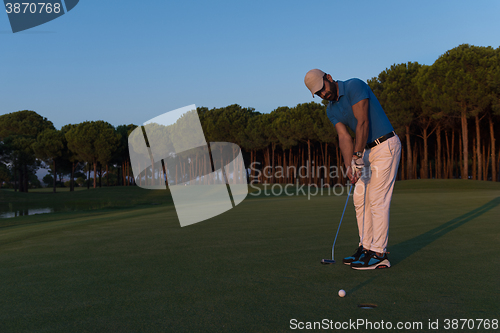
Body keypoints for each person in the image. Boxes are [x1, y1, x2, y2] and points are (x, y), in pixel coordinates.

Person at [304, 69, 401, 270]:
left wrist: (357, 156)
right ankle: (365, 248)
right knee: (359, 199)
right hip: (364, 151)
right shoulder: (330, 109)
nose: (323, 94)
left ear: (328, 78)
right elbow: (344, 137)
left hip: (385, 146)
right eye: (318, 94)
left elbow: (362, 122)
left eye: (322, 88)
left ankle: (379, 253)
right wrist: (350, 165)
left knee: (377, 199)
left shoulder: (354, 86)